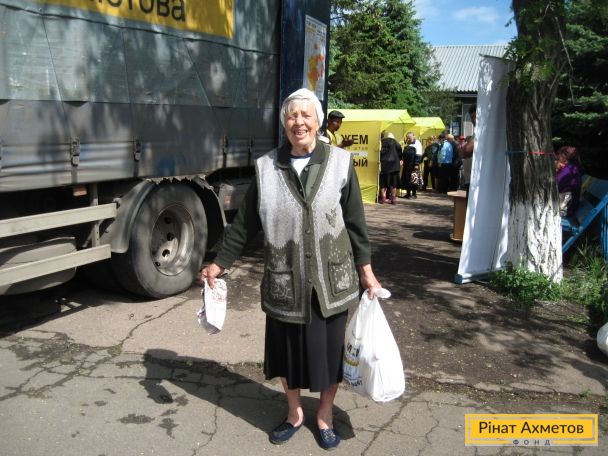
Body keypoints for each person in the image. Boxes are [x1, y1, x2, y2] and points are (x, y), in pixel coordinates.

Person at [199, 88, 381, 451]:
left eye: (306, 115)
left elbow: (356, 224)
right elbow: (245, 224)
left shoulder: (340, 162)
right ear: (284, 123)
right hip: (285, 280)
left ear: (318, 121)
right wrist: (219, 262)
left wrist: (367, 272)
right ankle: (295, 412)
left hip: (330, 280)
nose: (299, 122)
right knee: (287, 352)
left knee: (329, 354)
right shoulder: (266, 167)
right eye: (291, 115)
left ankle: (324, 415)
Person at [555, 145, 582, 218]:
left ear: (564, 157)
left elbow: (555, 185)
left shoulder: (568, 169)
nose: (557, 157)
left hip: (566, 208)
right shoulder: (571, 167)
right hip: (568, 204)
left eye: (558, 154)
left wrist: (556, 170)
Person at [379, 131, 402, 204]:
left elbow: (380, 152)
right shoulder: (396, 143)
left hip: (384, 164)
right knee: (393, 183)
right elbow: (400, 153)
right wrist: (400, 159)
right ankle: (393, 199)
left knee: (383, 183)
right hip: (394, 165)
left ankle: (383, 198)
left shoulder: (382, 142)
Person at [460, 104, 477, 198]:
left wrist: (469, 143)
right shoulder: (475, 133)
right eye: (472, 118)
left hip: (475, 181)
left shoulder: (481, 133)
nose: (473, 120)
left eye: (475, 117)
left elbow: (465, 151)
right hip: (470, 180)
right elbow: (462, 153)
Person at [400, 134, 419, 199]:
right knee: (406, 179)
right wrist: (402, 160)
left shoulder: (417, 144)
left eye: (409, 138)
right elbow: (403, 155)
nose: (408, 139)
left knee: (413, 179)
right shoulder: (406, 146)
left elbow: (418, 155)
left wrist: (416, 164)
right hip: (406, 165)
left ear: (413, 137)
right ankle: (408, 193)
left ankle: (414, 194)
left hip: (413, 165)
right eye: (407, 138)